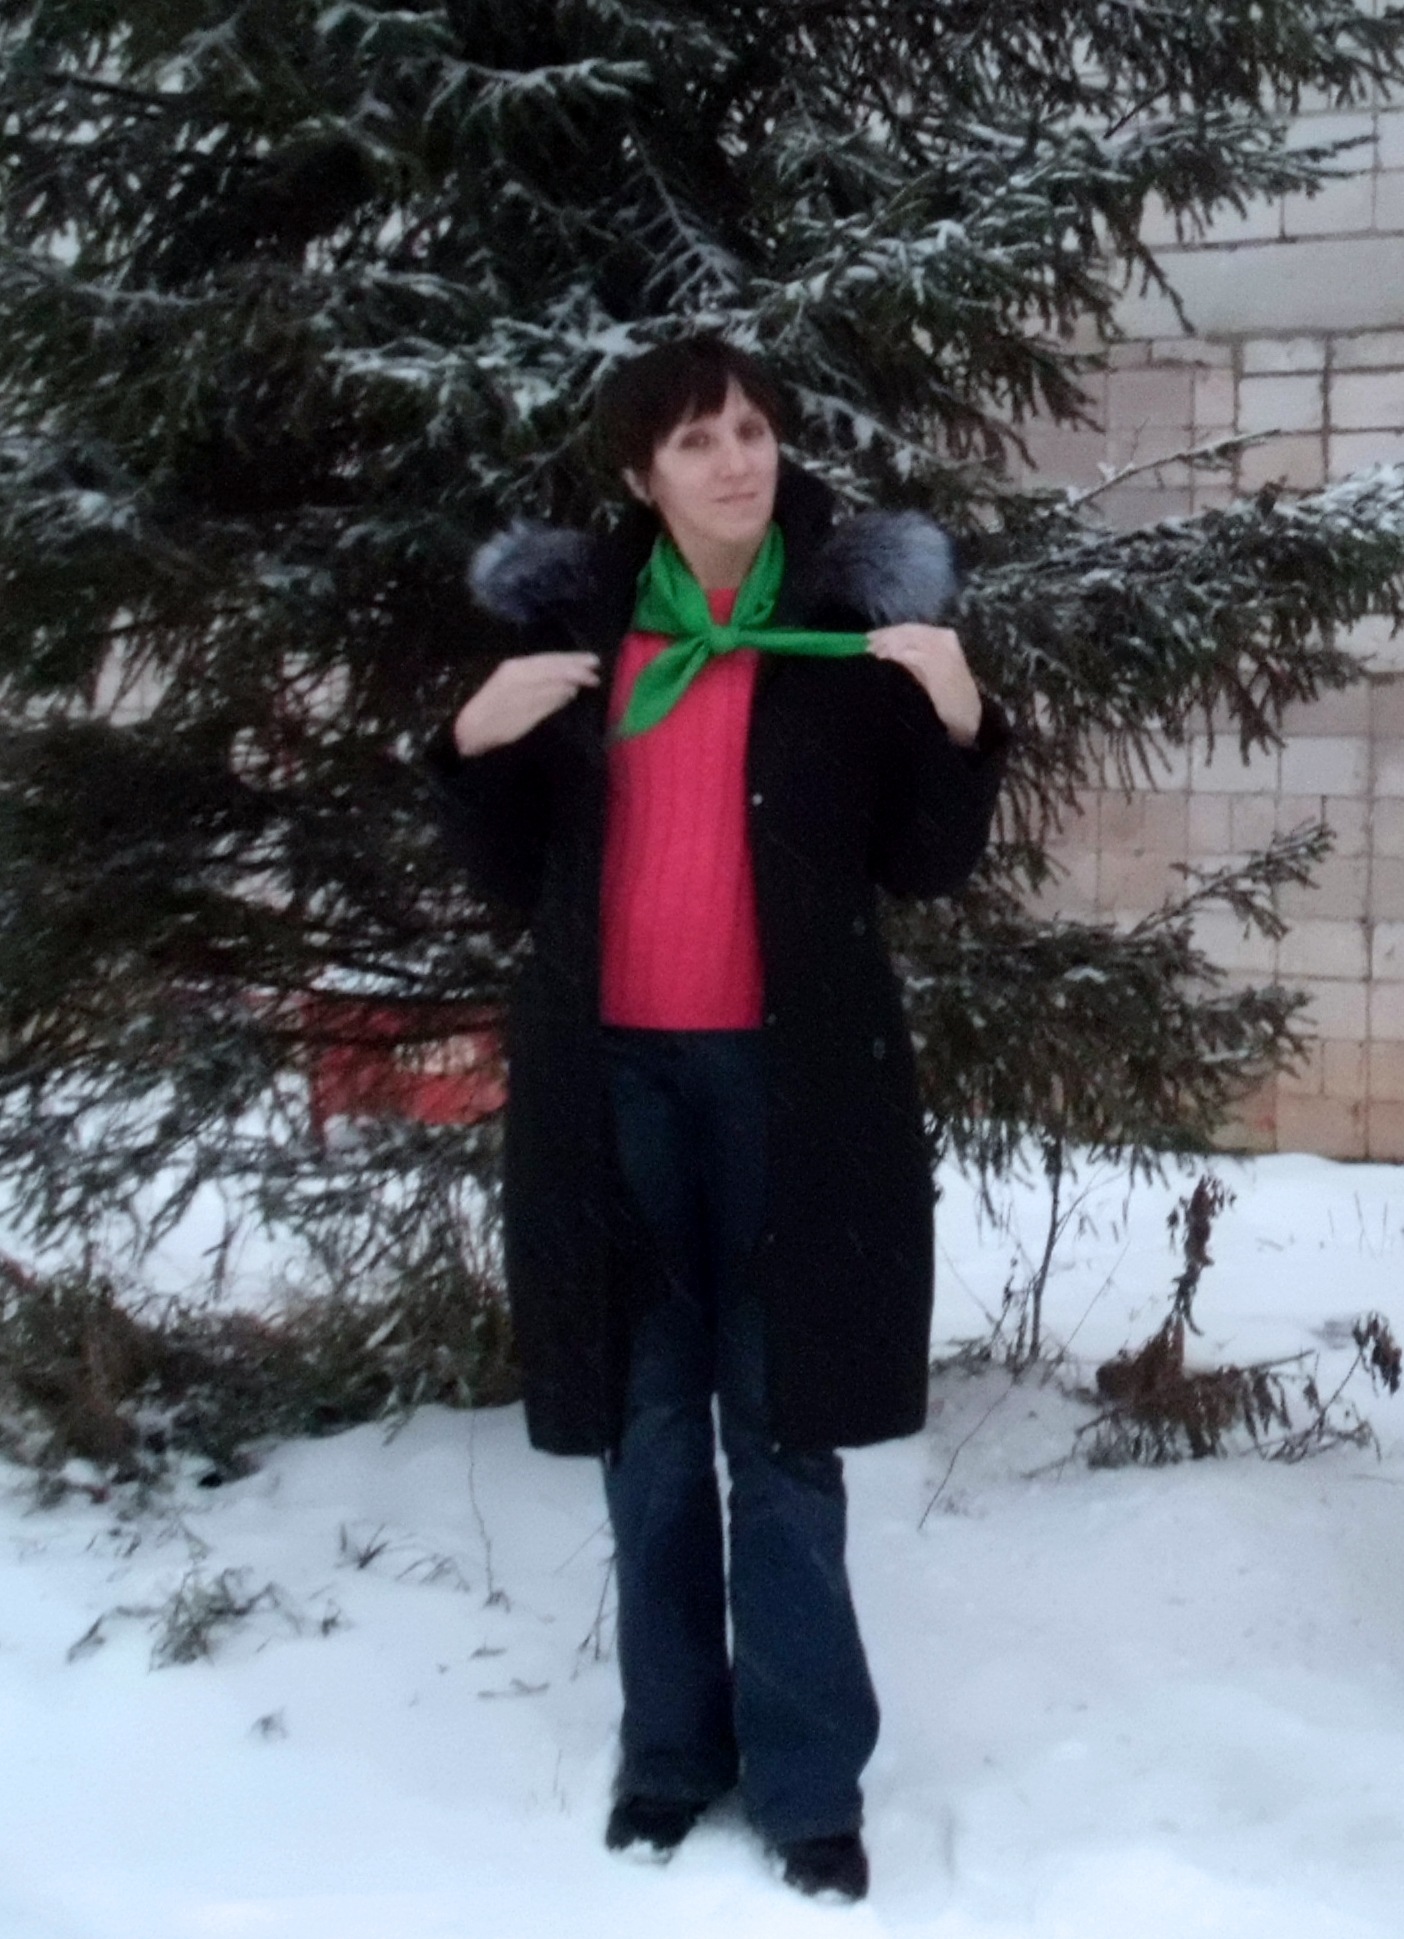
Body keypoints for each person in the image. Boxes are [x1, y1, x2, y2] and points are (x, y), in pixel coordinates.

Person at [426, 334, 1010, 1902]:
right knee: (652, 1436)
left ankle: (811, 1784)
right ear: (642, 474)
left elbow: (928, 867)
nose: (735, 460)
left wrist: (960, 717)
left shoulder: (850, 627)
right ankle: (669, 1754)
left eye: (751, 429)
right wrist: (475, 743)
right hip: (610, 1086)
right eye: (694, 440)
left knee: (785, 1434)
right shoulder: (573, 638)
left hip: (791, 1090)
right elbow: (506, 882)